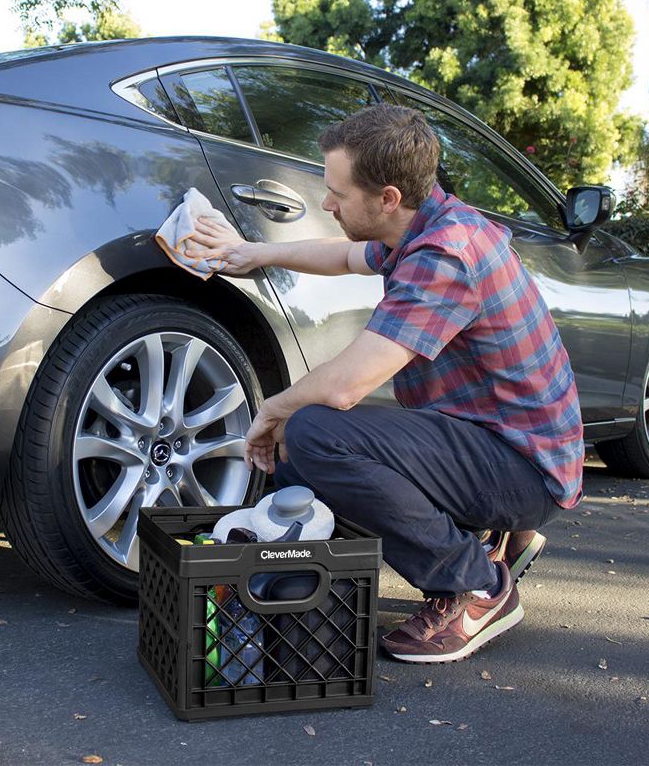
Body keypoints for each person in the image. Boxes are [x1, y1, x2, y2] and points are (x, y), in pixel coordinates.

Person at [183, 103, 584, 663]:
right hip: (502, 443)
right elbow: (346, 255)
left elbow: (347, 385)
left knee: (317, 432)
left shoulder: (445, 254)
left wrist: (272, 410)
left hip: (523, 466)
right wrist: (255, 253)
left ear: (388, 197)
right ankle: (489, 538)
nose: (326, 203)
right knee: (300, 457)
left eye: (338, 194)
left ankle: (477, 586)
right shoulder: (427, 224)